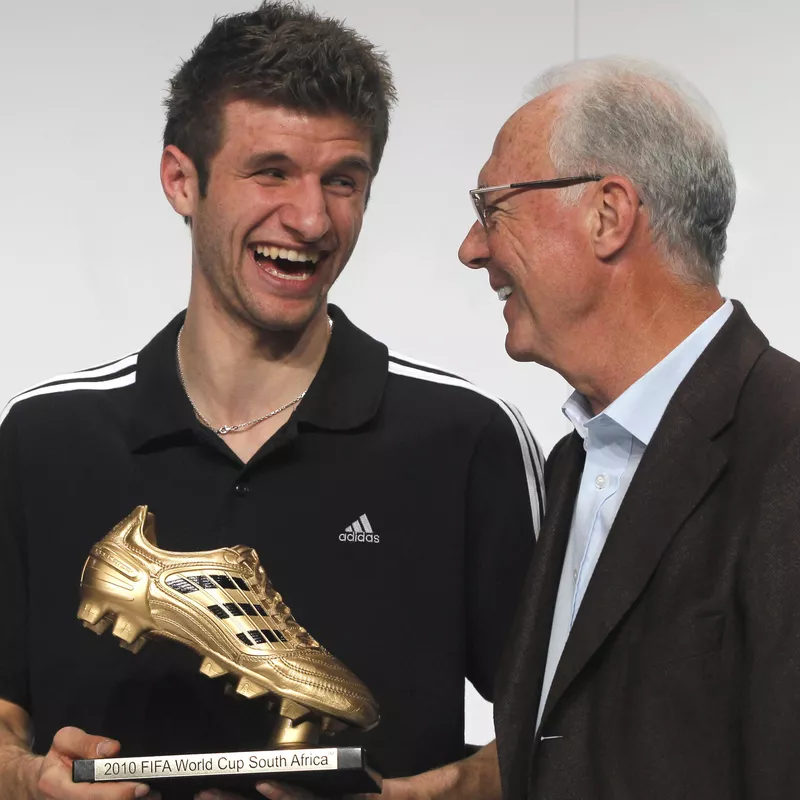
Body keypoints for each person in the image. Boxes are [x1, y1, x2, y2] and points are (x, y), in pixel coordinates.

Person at [0, 4, 544, 800]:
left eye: (343, 181)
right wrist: (27, 780)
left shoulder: (467, 438)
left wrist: (455, 792)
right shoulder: (44, 440)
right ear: (182, 180)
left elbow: (572, 732)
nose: (311, 219)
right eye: (272, 171)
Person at [458, 56, 800, 799]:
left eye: (494, 207)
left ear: (608, 214)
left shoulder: (787, 449)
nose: (472, 248)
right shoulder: (571, 464)